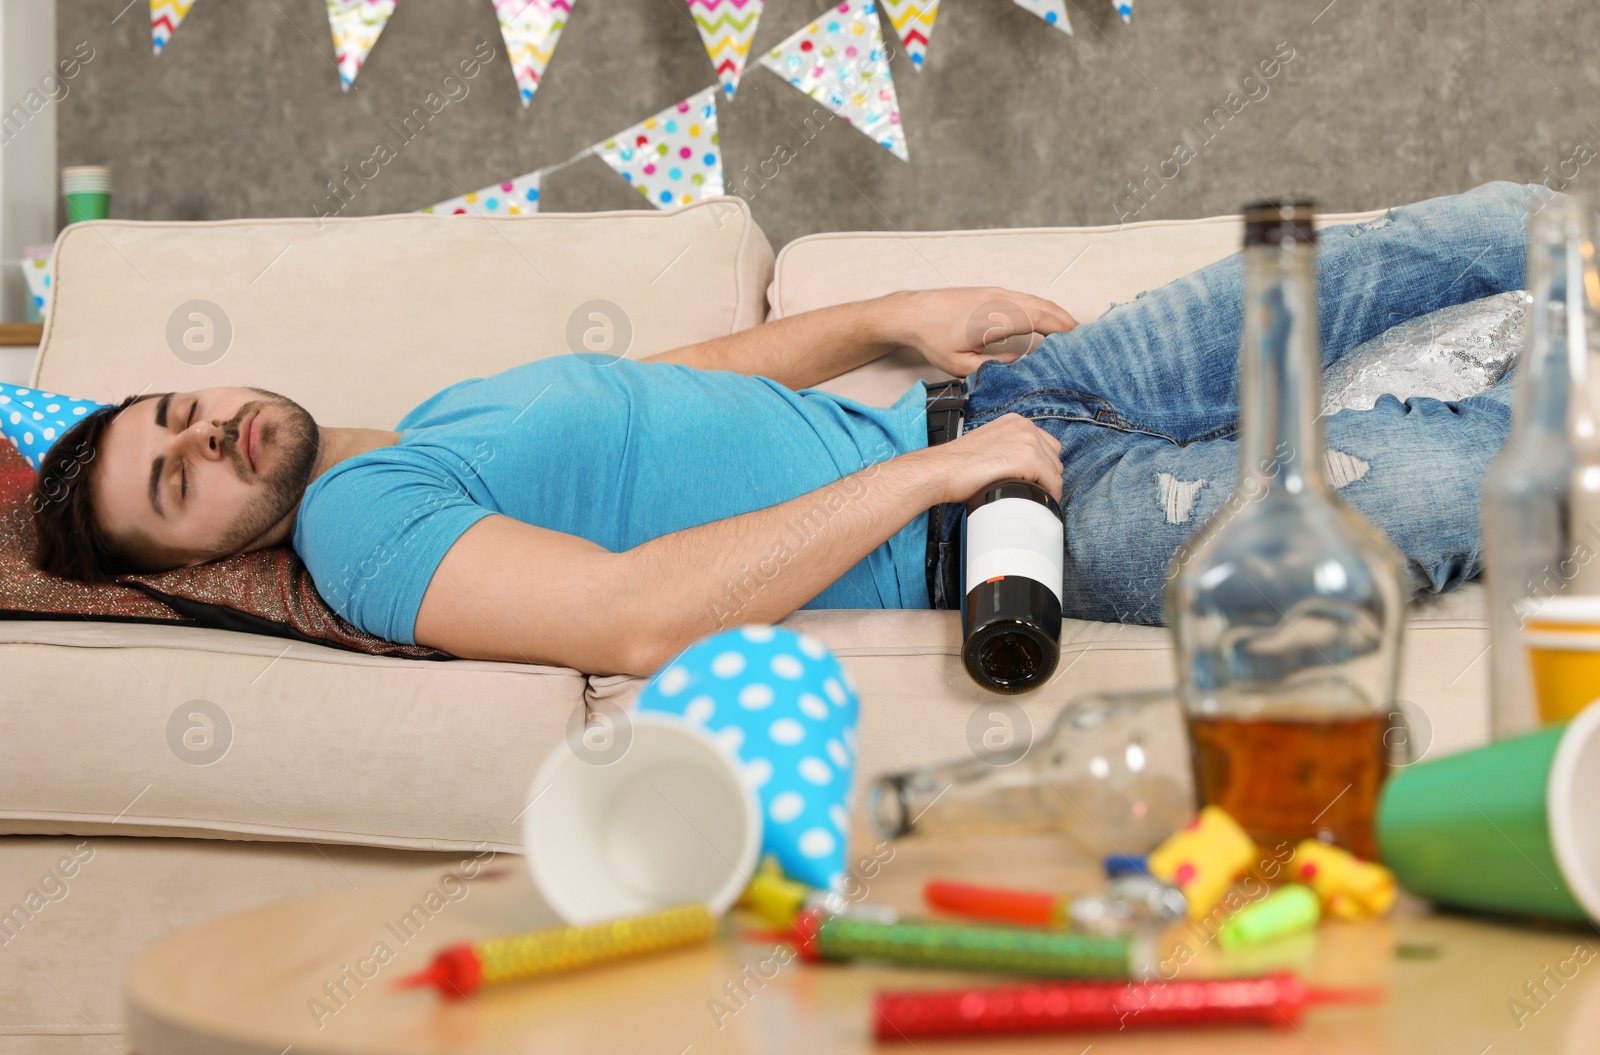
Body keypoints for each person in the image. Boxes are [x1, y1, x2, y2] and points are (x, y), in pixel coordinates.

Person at [30, 180, 1535, 676]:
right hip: (999, 524)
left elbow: (685, 374)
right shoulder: (359, 538)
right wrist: (943, 471)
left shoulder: (423, 427)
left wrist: (893, 321)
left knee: (1449, 237)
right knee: (1459, 483)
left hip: (1001, 410)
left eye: (183, 412)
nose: (208, 438)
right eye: (174, 484)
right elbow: (627, 620)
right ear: (199, 559)